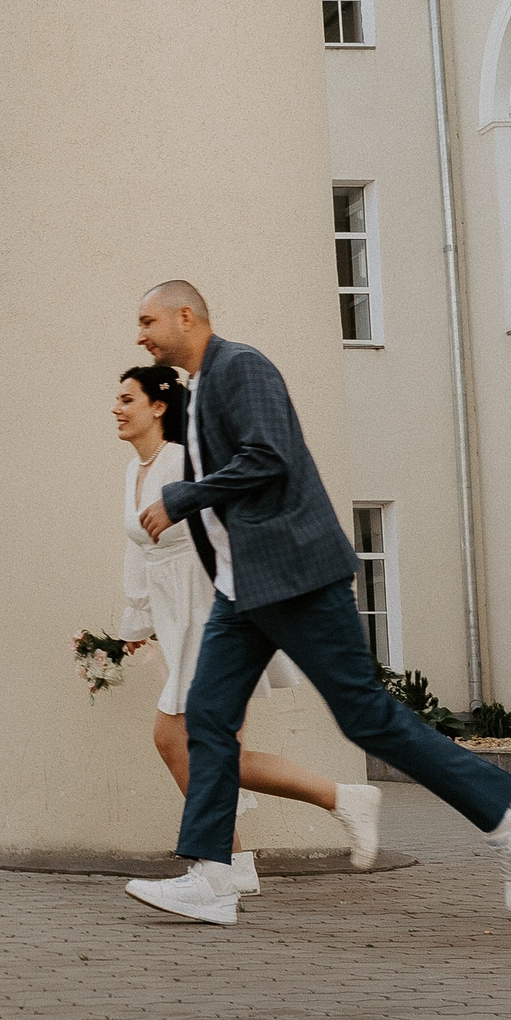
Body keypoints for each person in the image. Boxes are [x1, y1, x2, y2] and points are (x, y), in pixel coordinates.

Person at [127, 280, 511, 927]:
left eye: (148, 320)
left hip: (295, 575)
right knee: (207, 720)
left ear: (187, 315)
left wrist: (182, 497)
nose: (141, 334)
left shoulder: (242, 366)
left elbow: (269, 457)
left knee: (366, 716)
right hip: (242, 590)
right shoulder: (202, 388)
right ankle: (214, 876)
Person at [114, 364, 375, 897]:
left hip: (208, 606)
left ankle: (259, 845)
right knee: (201, 746)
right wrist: (137, 621)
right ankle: (238, 858)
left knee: (185, 740)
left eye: (127, 399)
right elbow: (138, 549)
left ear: (158, 405)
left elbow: (223, 524)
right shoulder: (133, 469)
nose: (116, 409)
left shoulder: (183, 459)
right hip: (174, 614)